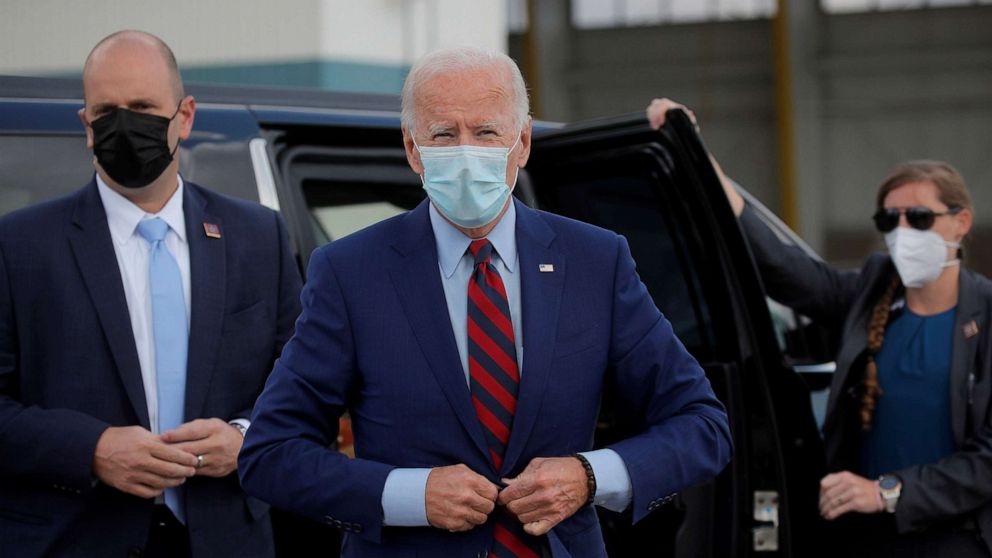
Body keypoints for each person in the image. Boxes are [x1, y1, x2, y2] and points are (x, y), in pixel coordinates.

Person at [238, 48, 732, 558]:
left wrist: (588, 476)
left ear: (522, 142)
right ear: (413, 149)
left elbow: (702, 425)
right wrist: (409, 495)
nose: (466, 151)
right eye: (444, 135)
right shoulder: (351, 271)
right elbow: (271, 454)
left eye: (486, 132)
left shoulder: (595, 261)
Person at [0, 31, 302, 557]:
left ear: (184, 116)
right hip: (74, 538)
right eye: (106, 110)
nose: (124, 124)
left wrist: (246, 437)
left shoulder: (258, 236)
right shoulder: (20, 245)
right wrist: (91, 451)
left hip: (226, 537)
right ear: (87, 127)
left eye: (142, 107)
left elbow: (305, 382)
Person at [648, 98, 992, 556]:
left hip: (955, 537)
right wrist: (696, 152)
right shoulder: (872, 291)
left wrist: (887, 491)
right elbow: (786, 269)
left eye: (920, 217)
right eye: (890, 219)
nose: (903, 231)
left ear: (961, 222)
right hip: (863, 535)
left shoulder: (985, 316)